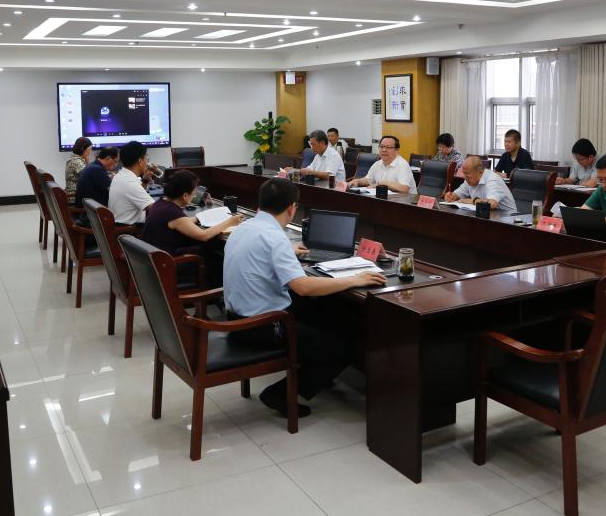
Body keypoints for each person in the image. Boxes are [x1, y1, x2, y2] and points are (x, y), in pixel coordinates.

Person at [223, 178, 386, 417]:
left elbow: (262, 256)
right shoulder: (274, 237)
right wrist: (355, 279)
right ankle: (279, 393)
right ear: (292, 208)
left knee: (329, 312)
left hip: (238, 317)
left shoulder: (245, 227)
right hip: (261, 326)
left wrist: (288, 252)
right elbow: (303, 287)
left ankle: (319, 372)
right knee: (341, 348)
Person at [139, 170, 241, 286]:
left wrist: (198, 218)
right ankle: (214, 289)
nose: (194, 196)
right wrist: (230, 222)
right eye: (193, 193)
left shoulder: (161, 203)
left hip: (155, 260)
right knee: (213, 252)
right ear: (185, 196)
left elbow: (181, 222)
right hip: (168, 265)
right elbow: (204, 235)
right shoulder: (171, 213)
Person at [444, 155, 516, 213]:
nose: (465, 177)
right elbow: (458, 193)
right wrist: (452, 196)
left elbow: (492, 204)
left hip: (508, 219)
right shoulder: (469, 179)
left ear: (480, 172)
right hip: (488, 216)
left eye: (467, 174)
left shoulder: (493, 180)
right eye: (464, 173)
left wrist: (472, 201)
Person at [108, 141, 155, 226]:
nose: (147, 161)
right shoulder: (129, 182)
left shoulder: (120, 175)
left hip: (119, 225)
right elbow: (156, 209)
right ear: (140, 161)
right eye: (146, 157)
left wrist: (145, 181)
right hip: (130, 231)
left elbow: (134, 194)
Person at [347, 135, 417, 194]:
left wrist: (381, 183)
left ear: (397, 150)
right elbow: (369, 180)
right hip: (386, 199)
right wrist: (358, 181)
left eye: (388, 147)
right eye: (381, 146)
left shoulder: (402, 165)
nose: (384, 150)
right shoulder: (377, 163)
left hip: (406, 202)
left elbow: (404, 189)